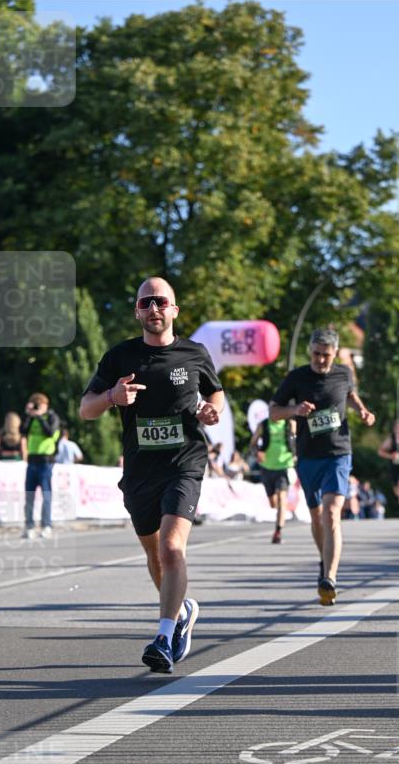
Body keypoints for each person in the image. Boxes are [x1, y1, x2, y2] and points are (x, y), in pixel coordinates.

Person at [79, 275, 224, 673]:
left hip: (185, 463)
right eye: (146, 303)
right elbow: (84, 408)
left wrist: (214, 411)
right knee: (154, 554)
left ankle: (163, 636)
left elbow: (216, 392)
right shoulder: (120, 357)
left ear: (174, 310)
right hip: (140, 470)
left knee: (172, 547)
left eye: (161, 302)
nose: (154, 309)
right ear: (137, 312)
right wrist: (111, 397)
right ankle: (182, 610)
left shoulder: (194, 354)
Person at [270, 328, 375, 605]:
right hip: (308, 457)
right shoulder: (297, 377)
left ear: (335, 354)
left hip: (338, 453)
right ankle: (324, 558)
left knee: (331, 513)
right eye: (316, 354)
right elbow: (273, 411)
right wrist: (294, 411)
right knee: (316, 516)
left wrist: (361, 410)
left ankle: (329, 576)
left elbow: (350, 395)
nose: (320, 360)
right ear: (310, 352)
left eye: (326, 355)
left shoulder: (344, 373)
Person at [21, 392, 60, 539]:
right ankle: (29, 525)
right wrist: (29, 415)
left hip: (46, 461)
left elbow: (49, 432)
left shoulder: (52, 417)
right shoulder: (31, 418)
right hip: (32, 460)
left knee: (46, 494)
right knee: (29, 495)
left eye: (39, 404)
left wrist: (39, 416)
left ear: (45, 405)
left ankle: (46, 525)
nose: (37, 407)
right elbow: (22, 431)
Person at [251, 416, 295, 544]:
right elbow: (253, 444)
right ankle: (277, 514)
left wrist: (296, 453)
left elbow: (300, 439)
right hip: (267, 467)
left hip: (285, 466)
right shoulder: (263, 424)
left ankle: (278, 532)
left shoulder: (290, 423)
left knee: (282, 499)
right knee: (273, 503)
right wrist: (257, 453)